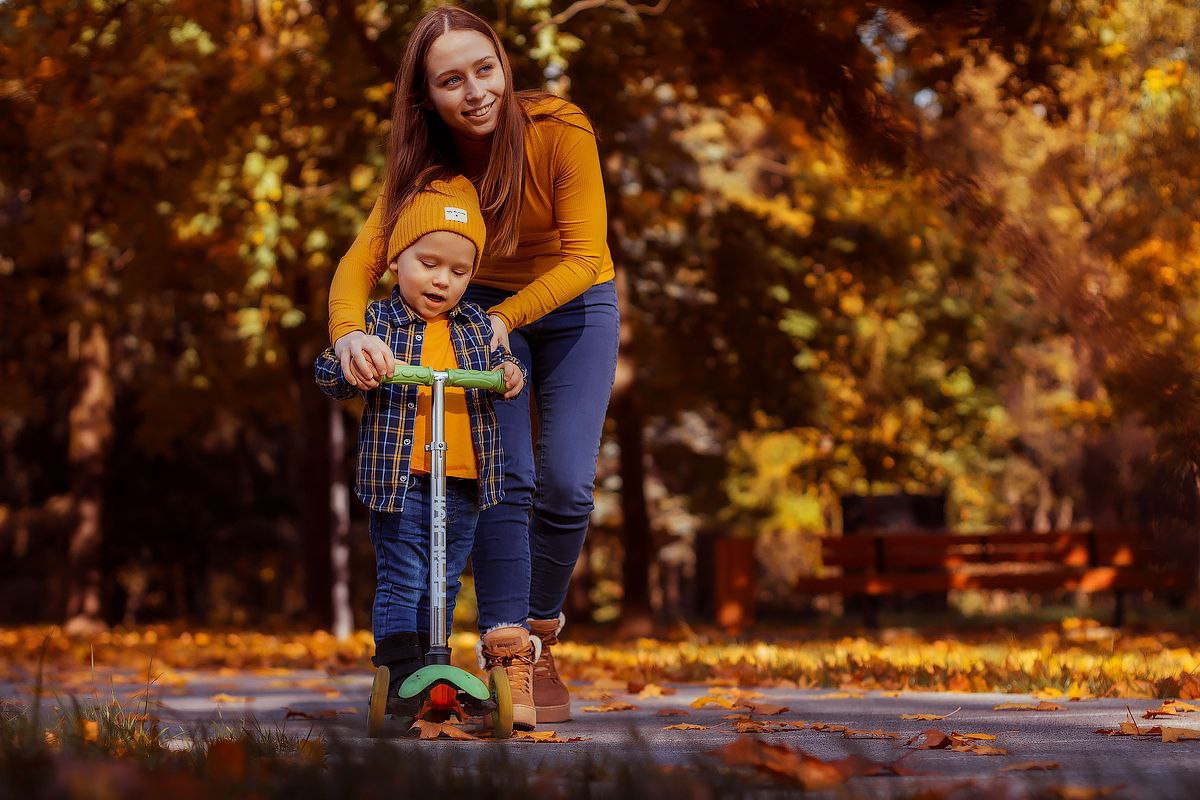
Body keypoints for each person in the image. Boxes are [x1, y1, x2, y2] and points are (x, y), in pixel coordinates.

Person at [326, 5, 619, 725]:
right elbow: (361, 262)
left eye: (485, 69)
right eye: (452, 80)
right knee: (505, 476)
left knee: (569, 486)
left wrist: (504, 318)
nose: (476, 90)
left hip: (577, 298)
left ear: (504, 66)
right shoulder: (426, 166)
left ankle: (542, 627)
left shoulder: (559, 127)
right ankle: (507, 652)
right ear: (428, 96)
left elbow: (584, 254)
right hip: (481, 304)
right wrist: (346, 336)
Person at [313, 176, 530, 724]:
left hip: (462, 476)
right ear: (394, 262)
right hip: (403, 474)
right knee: (404, 574)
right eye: (429, 263)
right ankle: (400, 672)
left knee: (447, 575)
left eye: (459, 272)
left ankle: (441, 666)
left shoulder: (476, 325)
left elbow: (505, 366)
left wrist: (507, 373)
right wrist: (356, 362)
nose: (443, 280)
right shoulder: (379, 322)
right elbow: (328, 371)